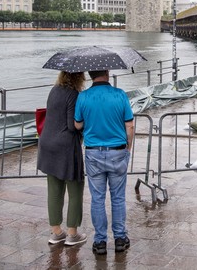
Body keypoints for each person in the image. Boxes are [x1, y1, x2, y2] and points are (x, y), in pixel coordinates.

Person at [74, 70, 134, 255]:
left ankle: (100, 242)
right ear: (107, 73)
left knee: (97, 198)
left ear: (91, 74)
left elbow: (77, 125)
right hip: (117, 151)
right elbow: (130, 125)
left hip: (93, 154)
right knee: (118, 197)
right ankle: (120, 239)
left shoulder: (83, 97)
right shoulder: (120, 95)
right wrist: (128, 148)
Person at [37, 71, 87, 246]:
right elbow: (71, 126)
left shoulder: (54, 90)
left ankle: (56, 232)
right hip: (65, 147)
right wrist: (85, 122)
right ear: (78, 76)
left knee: (54, 190)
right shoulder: (73, 94)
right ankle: (73, 234)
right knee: (75, 189)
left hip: (47, 143)